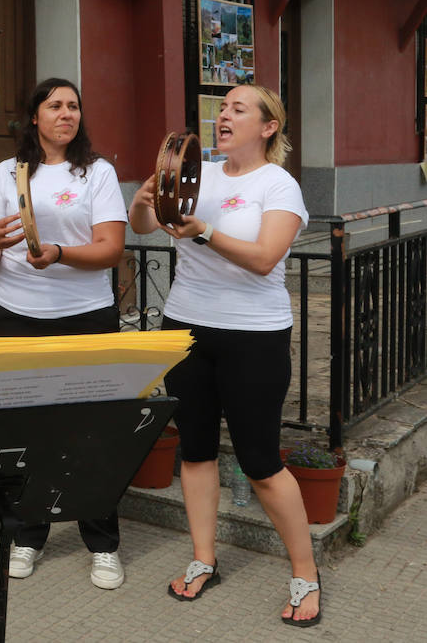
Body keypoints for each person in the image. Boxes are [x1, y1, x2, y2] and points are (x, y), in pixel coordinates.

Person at [129, 84, 320, 627]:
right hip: (187, 327)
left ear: (268, 127)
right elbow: (147, 229)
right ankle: (203, 558)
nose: (223, 117)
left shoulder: (278, 184)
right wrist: (142, 204)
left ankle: (305, 572)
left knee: (260, 461)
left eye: (239, 109)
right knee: (195, 450)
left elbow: (263, 259)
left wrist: (207, 231)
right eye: (222, 109)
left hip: (253, 336)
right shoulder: (198, 174)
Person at [0, 78, 128, 590]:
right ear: (34, 115)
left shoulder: (97, 173)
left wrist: (59, 253)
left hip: (85, 316)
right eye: (55, 105)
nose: (67, 113)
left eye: (74, 106)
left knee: (91, 433)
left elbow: (110, 250)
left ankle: (102, 544)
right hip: (15, 315)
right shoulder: (7, 173)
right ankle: (28, 535)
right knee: (26, 434)